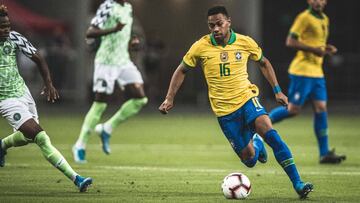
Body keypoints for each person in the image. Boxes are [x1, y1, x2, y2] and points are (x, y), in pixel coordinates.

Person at [159, 6, 313, 199]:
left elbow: (264, 63)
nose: (215, 29)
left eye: (219, 24)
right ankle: (257, 143)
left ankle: (298, 183)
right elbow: (181, 70)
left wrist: (277, 91)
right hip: (225, 113)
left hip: (247, 99)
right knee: (249, 160)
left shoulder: (245, 42)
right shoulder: (200, 46)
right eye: (211, 25)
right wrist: (169, 97)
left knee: (272, 135)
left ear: (228, 22)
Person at [0, 5, 92, 192]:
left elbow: (39, 58)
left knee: (27, 138)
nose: (6, 29)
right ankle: (77, 178)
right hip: (6, 100)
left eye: (8, 25)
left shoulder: (15, 38)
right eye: (2, 26)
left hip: (23, 93)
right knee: (41, 137)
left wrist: (48, 83)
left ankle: (2, 145)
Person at [268, 0, 346, 164]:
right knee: (293, 109)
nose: (318, 1)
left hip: (317, 72)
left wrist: (325, 48)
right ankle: (261, 125)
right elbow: (290, 41)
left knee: (321, 107)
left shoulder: (324, 18)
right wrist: (315, 50)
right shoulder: (304, 17)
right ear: (309, 1)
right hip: (302, 71)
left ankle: (324, 153)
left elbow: (316, 43)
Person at [73, 0, 148, 163]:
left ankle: (107, 128)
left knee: (140, 98)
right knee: (100, 104)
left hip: (123, 61)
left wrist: (132, 42)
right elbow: (90, 33)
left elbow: (124, 34)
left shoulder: (128, 7)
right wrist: (113, 29)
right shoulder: (107, 6)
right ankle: (80, 145)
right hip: (106, 62)